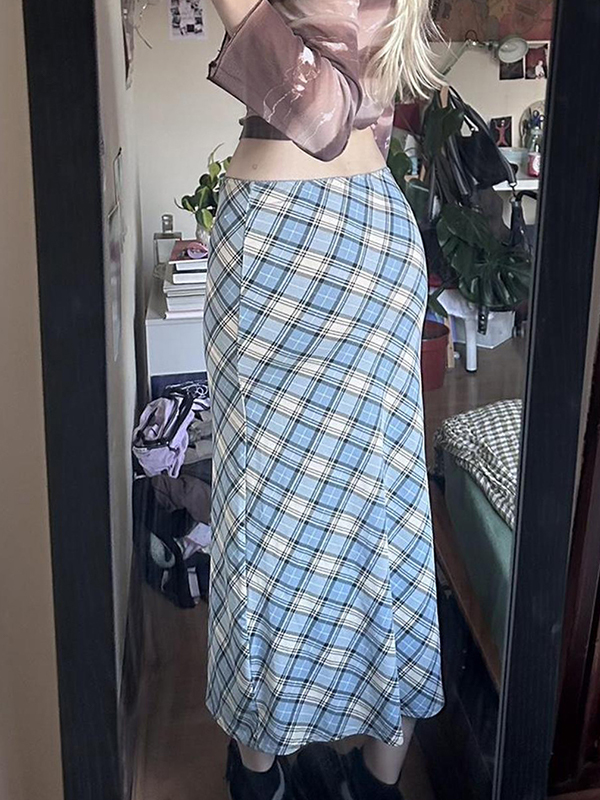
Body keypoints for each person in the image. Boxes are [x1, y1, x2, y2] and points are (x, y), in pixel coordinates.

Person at [202, 1, 446, 797]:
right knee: (379, 502)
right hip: (367, 226)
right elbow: (333, 111)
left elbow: (313, 112)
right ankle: (373, 778)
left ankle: (262, 774)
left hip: (277, 235)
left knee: (267, 509)